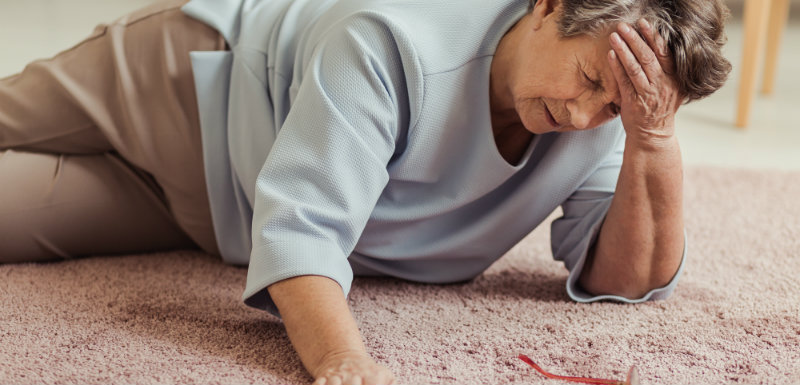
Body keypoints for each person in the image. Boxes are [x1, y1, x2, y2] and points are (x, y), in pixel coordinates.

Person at [0, 0, 731, 383]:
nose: (580, 114)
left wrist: (651, 137)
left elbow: (625, 278)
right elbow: (303, 232)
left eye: (614, 105)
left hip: (215, 211)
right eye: (590, 79)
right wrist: (341, 359)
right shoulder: (392, 41)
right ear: (547, 4)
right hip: (183, 86)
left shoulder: (608, 124)